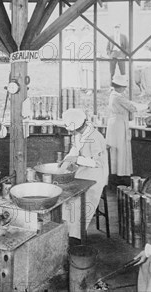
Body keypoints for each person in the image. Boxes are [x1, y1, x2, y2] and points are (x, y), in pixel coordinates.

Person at [60, 108, 109, 240]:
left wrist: (77, 160)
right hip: (84, 174)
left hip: (96, 177)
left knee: (77, 204)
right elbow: (74, 151)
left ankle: (75, 236)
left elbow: (98, 163)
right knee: (67, 200)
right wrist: (64, 163)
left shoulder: (95, 137)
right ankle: (68, 232)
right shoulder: (80, 134)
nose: (69, 130)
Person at [105, 73, 137, 179]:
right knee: (120, 150)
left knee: (117, 150)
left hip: (115, 124)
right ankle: (120, 175)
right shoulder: (117, 97)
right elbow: (131, 107)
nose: (124, 88)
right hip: (118, 126)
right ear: (119, 87)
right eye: (123, 86)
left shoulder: (114, 95)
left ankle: (117, 174)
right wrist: (146, 106)